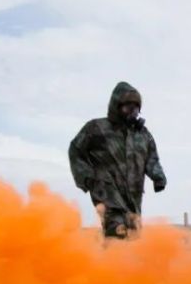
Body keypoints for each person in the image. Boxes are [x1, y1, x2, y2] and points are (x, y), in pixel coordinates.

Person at [68, 81, 167, 239]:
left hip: (134, 196)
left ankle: (117, 263)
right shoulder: (97, 128)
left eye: (135, 108)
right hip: (106, 191)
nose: (132, 111)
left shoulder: (143, 135)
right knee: (116, 230)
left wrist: (158, 177)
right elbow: (76, 149)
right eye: (128, 107)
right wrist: (86, 176)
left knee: (134, 234)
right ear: (116, 106)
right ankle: (113, 260)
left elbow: (151, 158)